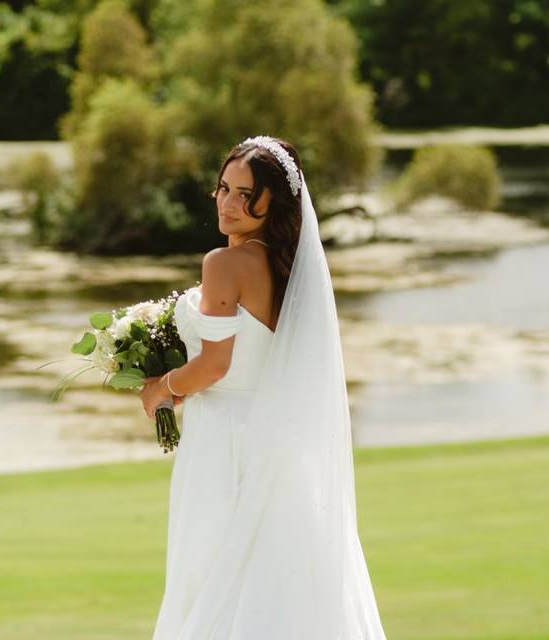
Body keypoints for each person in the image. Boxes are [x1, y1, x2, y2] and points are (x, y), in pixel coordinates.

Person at [140, 135, 387, 638]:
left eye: (245, 194)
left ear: (274, 200)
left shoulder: (223, 264)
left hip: (224, 441)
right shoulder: (292, 267)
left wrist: (162, 386)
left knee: (211, 572)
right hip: (278, 441)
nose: (229, 204)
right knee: (284, 569)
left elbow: (214, 366)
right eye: (223, 188)